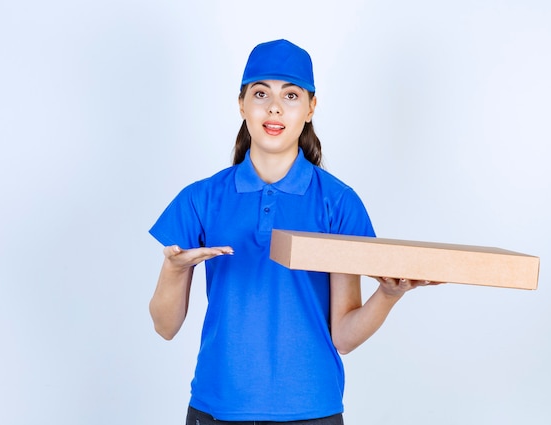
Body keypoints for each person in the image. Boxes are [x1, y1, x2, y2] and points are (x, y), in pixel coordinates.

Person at [148, 39, 433, 425]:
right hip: (217, 409)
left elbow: (344, 337)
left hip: (312, 411)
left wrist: (387, 294)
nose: (275, 107)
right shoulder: (201, 199)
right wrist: (176, 269)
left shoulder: (338, 202)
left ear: (311, 108)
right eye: (261, 93)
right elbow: (165, 327)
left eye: (291, 94)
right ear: (242, 104)